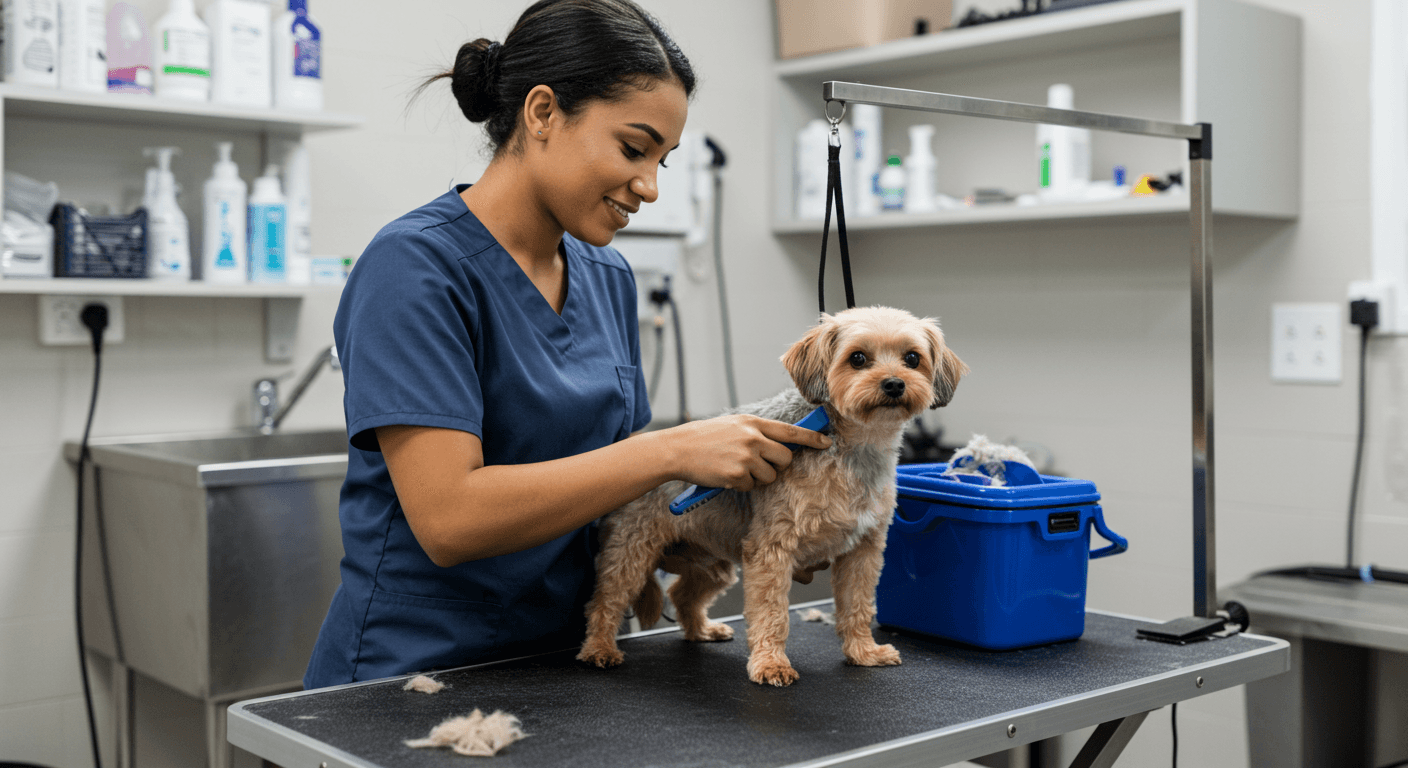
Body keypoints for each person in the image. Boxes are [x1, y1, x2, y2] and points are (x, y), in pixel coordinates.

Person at [303, 0, 831, 688]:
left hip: (563, 662)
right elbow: (449, 518)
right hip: (410, 673)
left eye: (663, 161)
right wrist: (671, 449)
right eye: (633, 148)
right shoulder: (415, 268)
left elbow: (614, 501)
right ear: (543, 112)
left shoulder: (605, 274)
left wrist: (730, 534)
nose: (648, 185)